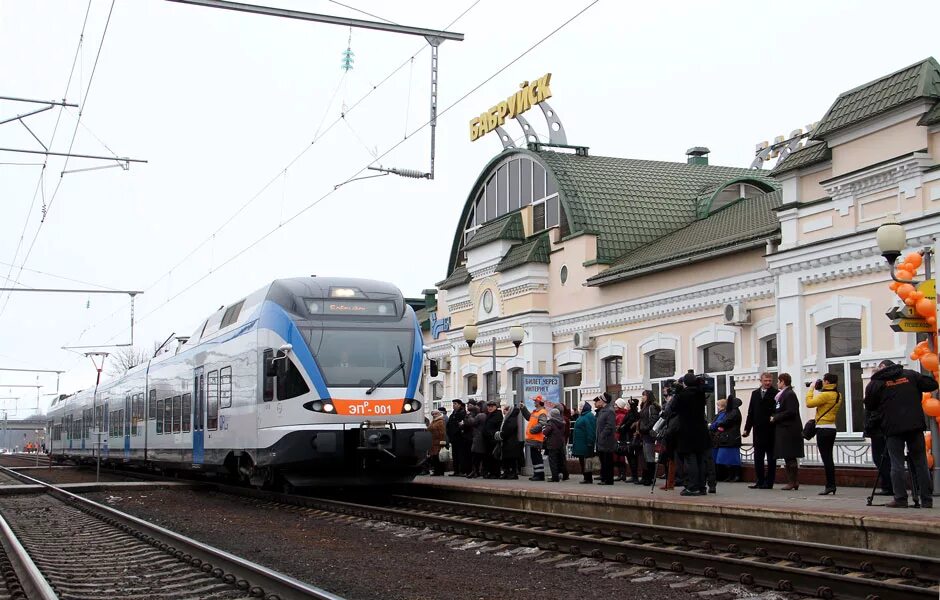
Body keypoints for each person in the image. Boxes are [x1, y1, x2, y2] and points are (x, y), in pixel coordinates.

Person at [863, 359, 937, 508]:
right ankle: (927, 500)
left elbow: (870, 405)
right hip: (915, 425)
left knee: (896, 464)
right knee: (921, 462)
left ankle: (900, 498)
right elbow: (932, 384)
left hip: (892, 428)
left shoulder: (877, 382)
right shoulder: (910, 375)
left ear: (882, 368)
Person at [673, 373, 711, 496]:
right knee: (701, 460)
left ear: (685, 383)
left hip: (688, 432)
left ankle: (692, 487)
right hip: (701, 430)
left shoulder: (683, 395)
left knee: (690, 460)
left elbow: (674, 408)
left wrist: (677, 393)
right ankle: (701, 487)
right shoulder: (700, 393)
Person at [806, 373, 841, 495]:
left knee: (826, 459)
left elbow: (809, 403)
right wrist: (819, 389)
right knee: (829, 457)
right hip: (832, 428)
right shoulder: (837, 395)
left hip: (823, 429)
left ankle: (830, 485)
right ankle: (831, 485)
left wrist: (811, 389)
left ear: (826, 382)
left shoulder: (825, 395)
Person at [744, 372, 777, 489]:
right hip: (758, 430)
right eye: (765, 381)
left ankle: (769, 482)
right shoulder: (755, 394)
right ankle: (759, 480)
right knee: (758, 457)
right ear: (761, 381)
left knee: (771, 458)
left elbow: (777, 411)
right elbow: (751, 412)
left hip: (770, 431)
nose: (767, 383)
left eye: (769, 381)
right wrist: (747, 429)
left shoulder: (776, 393)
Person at [863, 366, 893, 497]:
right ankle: (889, 485)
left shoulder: (875, 387)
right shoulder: (888, 386)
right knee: (886, 459)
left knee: (880, 459)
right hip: (885, 428)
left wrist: (869, 425)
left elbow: (874, 410)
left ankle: (888, 486)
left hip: (878, 430)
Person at [770, 373, 803, 491]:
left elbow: (791, 411)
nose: (777, 384)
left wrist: (776, 417)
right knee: (787, 457)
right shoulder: (782, 395)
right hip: (784, 429)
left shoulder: (789, 394)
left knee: (790, 456)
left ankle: (793, 481)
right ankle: (792, 481)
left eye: (778, 381)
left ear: (783, 381)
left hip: (789, 429)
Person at [710, 397, 742, 483]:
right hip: (729, 438)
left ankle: (736, 475)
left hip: (731, 438)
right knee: (728, 459)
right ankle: (731, 475)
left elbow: (725, 421)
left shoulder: (734, 412)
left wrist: (718, 425)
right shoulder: (733, 411)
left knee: (732, 459)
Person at [520, 396, 548, 481]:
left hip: (536, 439)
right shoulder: (536, 412)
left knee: (536, 457)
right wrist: (523, 408)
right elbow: (529, 417)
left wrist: (533, 430)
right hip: (533, 439)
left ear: (540, 402)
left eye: (536, 401)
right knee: (535, 457)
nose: (534, 402)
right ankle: (537, 474)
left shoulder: (542, 412)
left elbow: (542, 423)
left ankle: (539, 475)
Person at [637, 390, 660, 486]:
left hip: (649, 435)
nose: (642, 397)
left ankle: (650, 478)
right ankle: (646, 477)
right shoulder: (644, 406)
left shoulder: (652, 407)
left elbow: (653, 420)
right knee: (645, 456)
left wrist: (645, 428)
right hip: (644, 434)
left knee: (649, 456)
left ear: (648, 396)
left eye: (644, 395)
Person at [571, 400, 597, 483]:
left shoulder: (588, 416)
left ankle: (588, 478)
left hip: (586, 444)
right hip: (581, 444)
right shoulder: (583, 416)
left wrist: (590, 442)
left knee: (587, 461)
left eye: (580, 407)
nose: (579, 408)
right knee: (583, 461)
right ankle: (586, 477)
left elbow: (591, 430)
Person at [594, 392, 617, 485]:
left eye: (600, 399)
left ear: (604, 400)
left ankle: (608, 480)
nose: (599, 401)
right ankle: (604, 478)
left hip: (607, 441)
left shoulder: (609, 411)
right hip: (601, 440)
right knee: (603, 461)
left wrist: (602, 435)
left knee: (607, 461)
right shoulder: (603, 410)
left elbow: (610, 426)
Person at [498, 404, 524, 479]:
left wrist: (501, 434)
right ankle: (507, 472)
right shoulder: (508, 418)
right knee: (507, 458)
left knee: (511, 459)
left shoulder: (511, 418)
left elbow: (509, 429)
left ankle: (512, 473)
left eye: (506, 409)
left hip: (511, 442)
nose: (504, 411)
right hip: (508, 441)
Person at [543, 408, 567, 482]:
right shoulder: (562, 423)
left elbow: (546, 432)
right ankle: (565, 475)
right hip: (560, 443)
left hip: (552, 444)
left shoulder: (551, 422)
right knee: (561, 460)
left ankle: (555, 477)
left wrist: (544, 429)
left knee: (553, 461)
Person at [446, 399, 469, 476]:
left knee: (461, 455)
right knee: (455, 455)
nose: (453, 405)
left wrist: (456, 432)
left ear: (459, 405)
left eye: (455, 404)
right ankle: (456, 471)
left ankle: (462, 470)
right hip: (453, 438)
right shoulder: (453, 414)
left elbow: (461, 425)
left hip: (460, 438)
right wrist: (449, 434)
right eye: (453, 404)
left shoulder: (462, 413)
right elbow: (449, 425)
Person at [482, 400, 504, 478]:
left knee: (494, 457)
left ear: (495, 407)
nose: (490, 408)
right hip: (487, 440)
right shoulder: (489, 415)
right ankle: (490, 472)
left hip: (493, 440)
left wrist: (491, 433)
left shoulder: (498, 415)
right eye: (488, 406)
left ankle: (495, 473)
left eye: (492, 406)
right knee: (489, 457)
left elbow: (498, 427)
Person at [465, 402, 486, 478]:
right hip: (480, 437)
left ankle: (475, 472)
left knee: (475, 456)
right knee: (479, 456)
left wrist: (468, 415)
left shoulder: (480, 415)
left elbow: (471, 422)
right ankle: (478, 471)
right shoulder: (483, 415)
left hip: (478, 437)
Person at [613, 398, 631, 482]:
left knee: (620, 456)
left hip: (619, 438)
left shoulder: (620, 415)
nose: (614, 406)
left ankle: (622, 474)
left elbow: (619, 427)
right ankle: (620, 474)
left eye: (616, 405)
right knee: (618, 457)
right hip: (617, 437)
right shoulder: (617, 414)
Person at [427, 410, 447, 475]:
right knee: (435, 457)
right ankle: (437, 471)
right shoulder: (434, 421)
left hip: (438, 442)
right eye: (432, 414)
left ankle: (439, 471)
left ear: (438, 414)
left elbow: (442, 432)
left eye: (435, 414)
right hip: (433, 441)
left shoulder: (440, 421)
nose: (434, 415)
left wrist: (442, 442)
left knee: (438, 457)